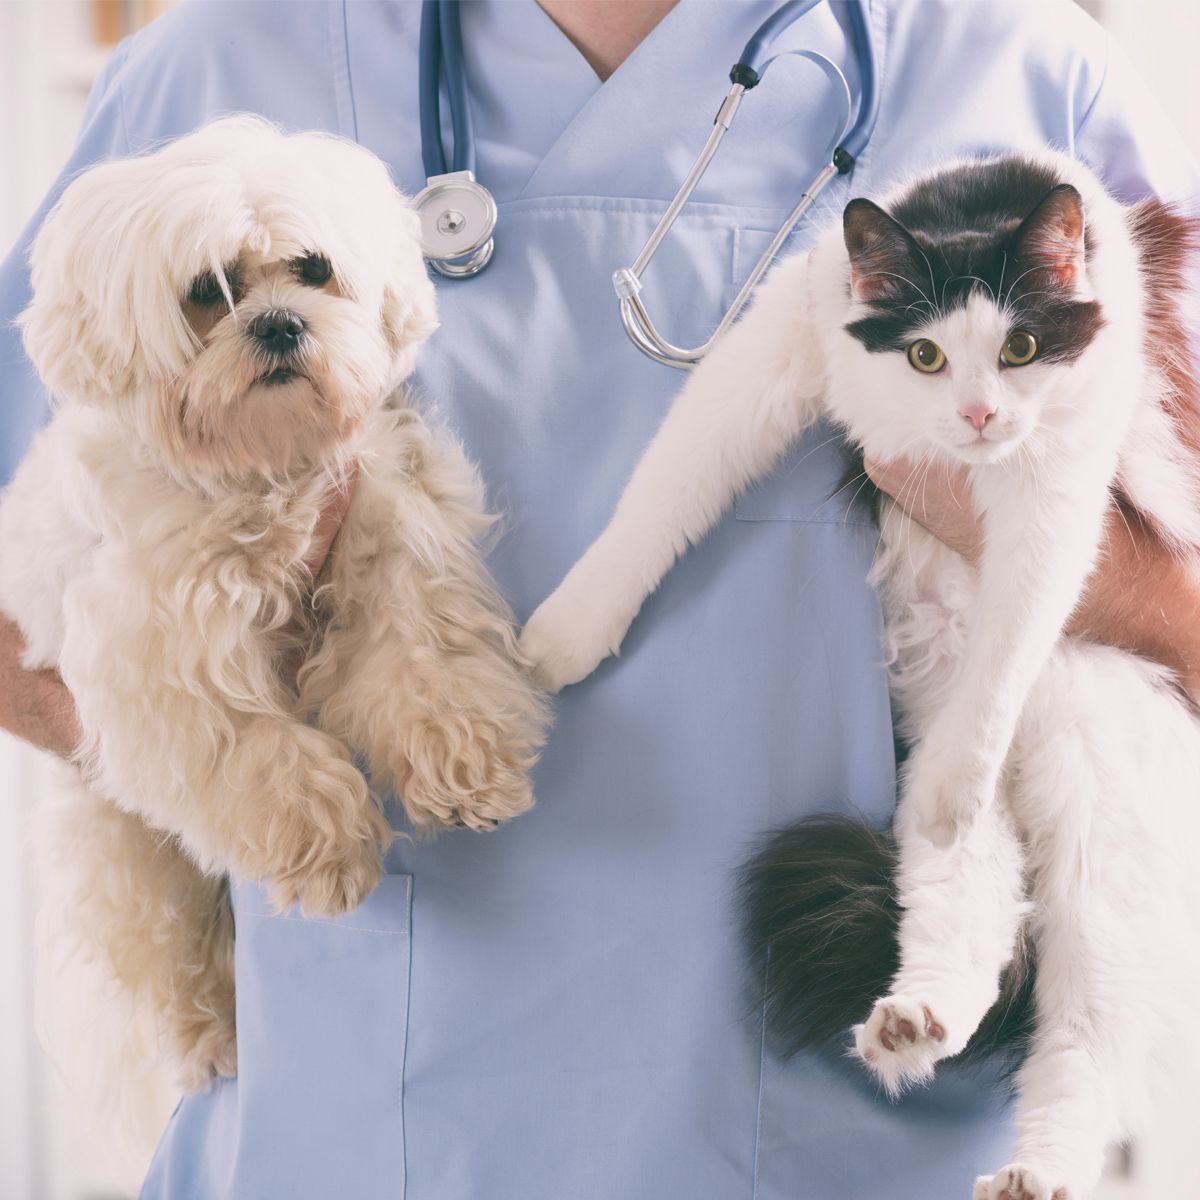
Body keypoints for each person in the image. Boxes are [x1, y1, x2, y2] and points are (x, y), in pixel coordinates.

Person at [1, 2, 1197, 1196]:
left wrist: (1092, 575)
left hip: (858, 1131)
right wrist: (181, 726)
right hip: (360, 1131)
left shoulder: (1020, 74)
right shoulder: (217, 65)